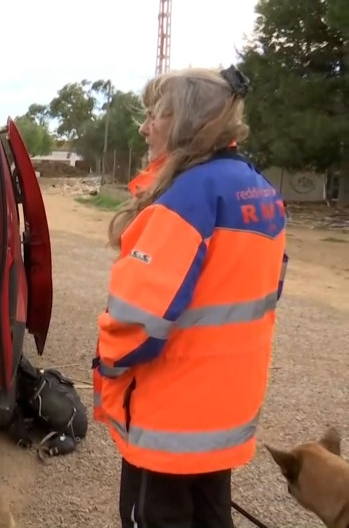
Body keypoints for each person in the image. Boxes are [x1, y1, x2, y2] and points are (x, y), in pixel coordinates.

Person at [91, 65, 288, 528]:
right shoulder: (260, 191)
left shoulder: (186, 198)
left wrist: (106, 367)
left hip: (170, 418)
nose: (144, 127)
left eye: (156, 115)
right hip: (223, 412)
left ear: (186, 123)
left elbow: (138, 320)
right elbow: (269, 289)